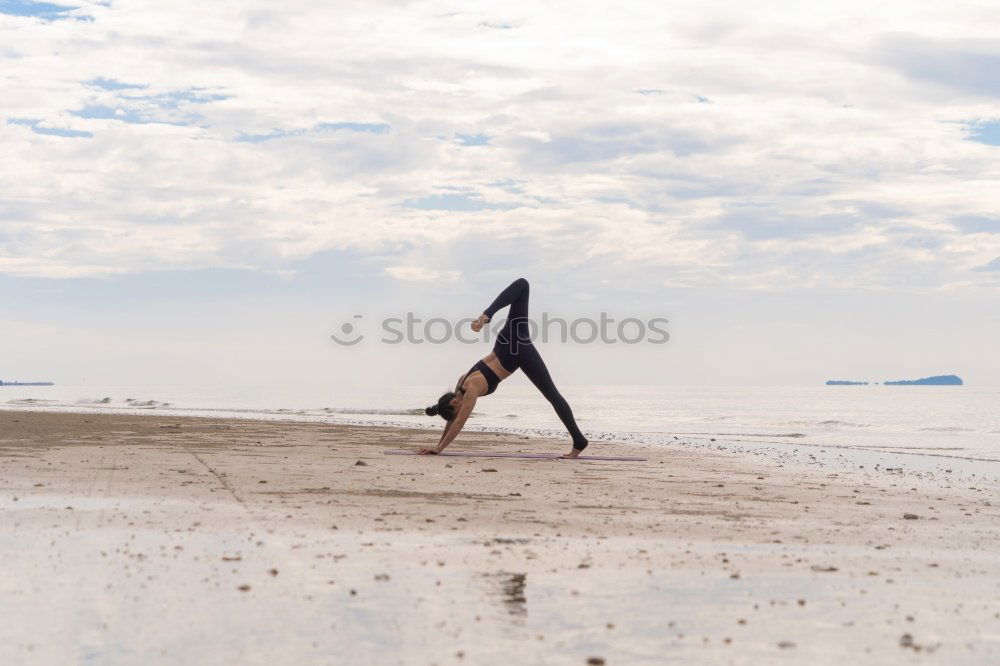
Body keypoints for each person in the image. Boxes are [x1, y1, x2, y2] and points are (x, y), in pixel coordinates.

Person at [420, 278, 588, 458]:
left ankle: (579, 441)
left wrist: (440, 449)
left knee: (552, 395)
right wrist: (438, 445)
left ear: (454, 402)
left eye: (456, 409)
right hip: (507, 337)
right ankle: (487, 314)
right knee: (523, 285)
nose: (460, 411)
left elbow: (459, 421)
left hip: (518, 351)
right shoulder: (462, 381)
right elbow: (453, 420)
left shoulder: (472, 389)